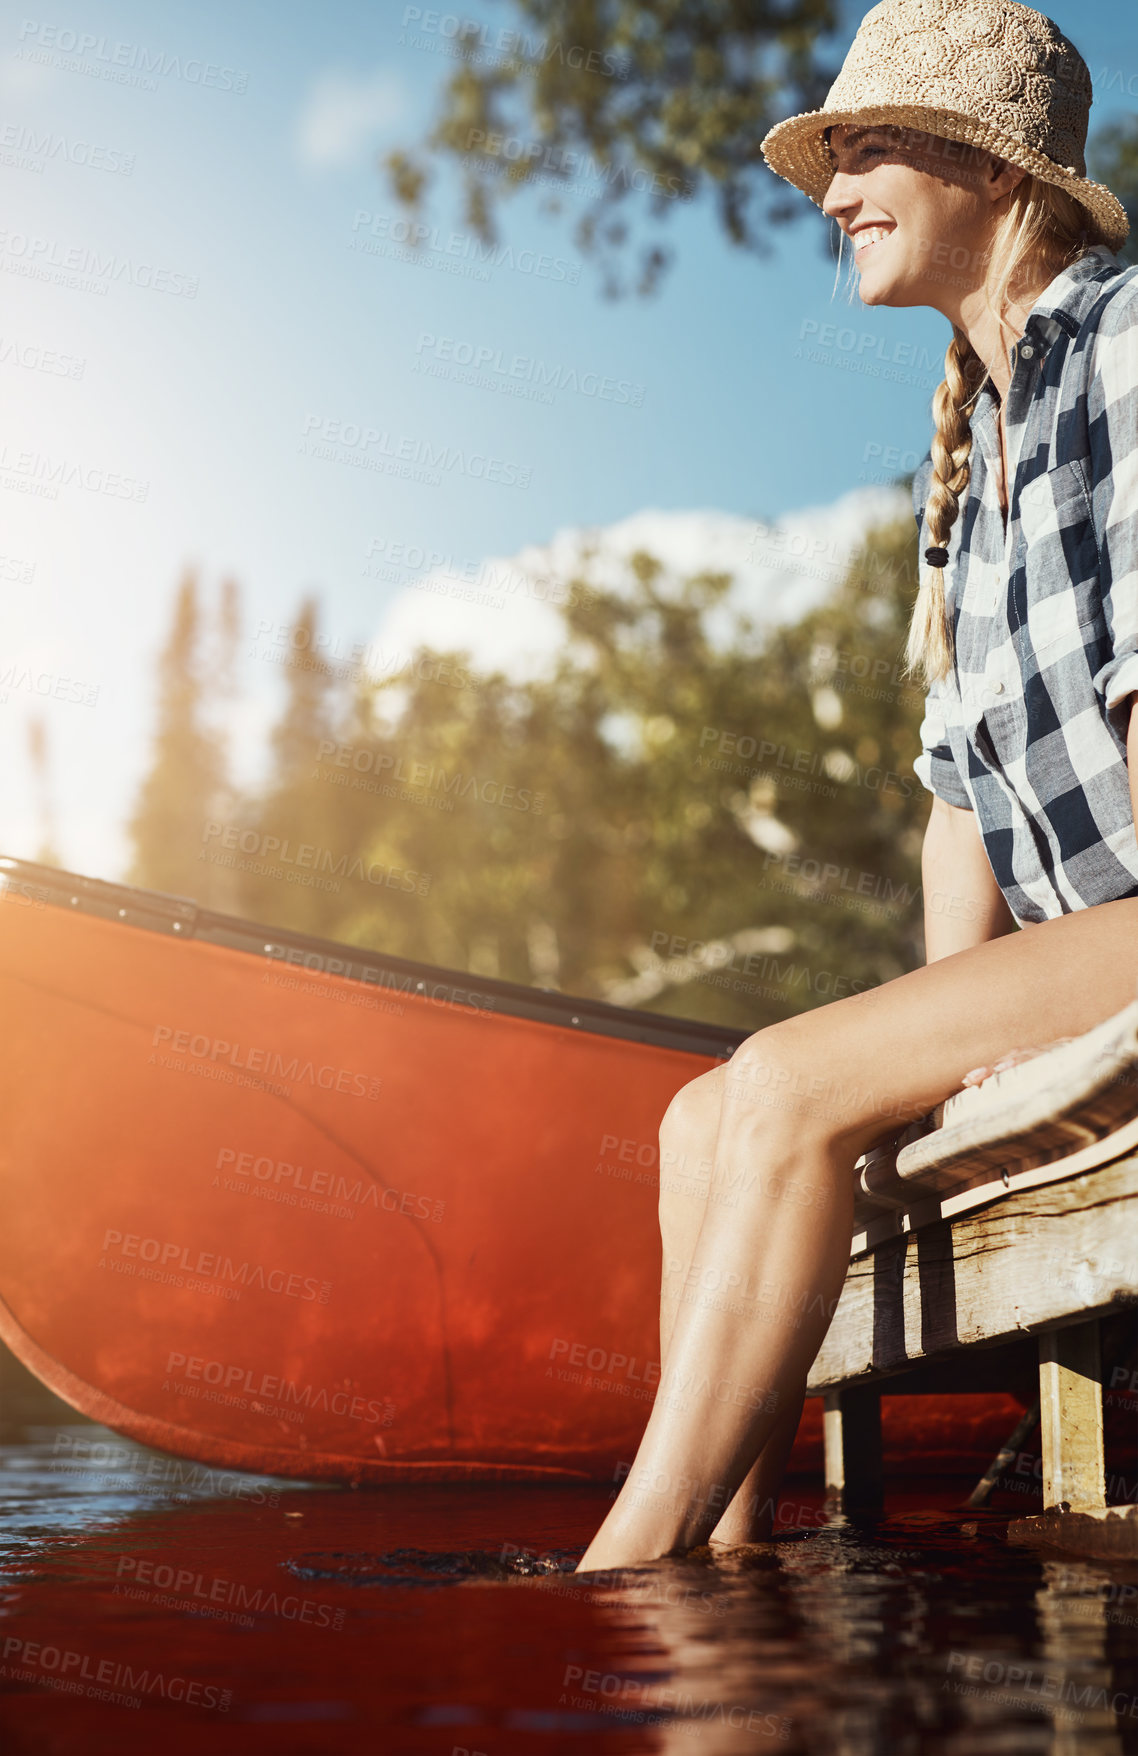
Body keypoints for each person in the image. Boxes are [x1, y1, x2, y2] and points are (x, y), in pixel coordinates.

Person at [576, 0, 1138, 1574]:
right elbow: (958, 794)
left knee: (771, 1081)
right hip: (1078, 947)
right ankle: (725, 1583)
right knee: (704, 1123)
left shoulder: (1126, 347)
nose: (835, 191)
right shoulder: (960, 458)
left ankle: (625, 1572)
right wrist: (945, 1028)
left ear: (993, 168)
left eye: (872, 145)